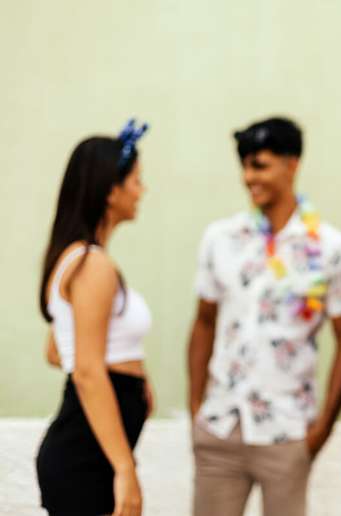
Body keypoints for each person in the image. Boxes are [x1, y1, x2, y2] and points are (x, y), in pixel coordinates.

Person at [187, 117, 341, 516]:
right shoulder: (220, 239)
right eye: (245, 166)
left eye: (260, 165)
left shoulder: (332, 248)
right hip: (219, 426)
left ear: (292, 164)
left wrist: (321, 430)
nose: (250, 177)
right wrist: (197, 407)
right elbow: (203, 323)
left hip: (287, 430)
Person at [36, 120, 153, 516]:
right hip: (85, 455)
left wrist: (135, 379)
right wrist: (125, 469)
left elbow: (57, 351)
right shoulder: (92, 266)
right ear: (110, 190)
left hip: (90, 446)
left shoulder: (75, 259)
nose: (142, 190)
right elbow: (85, 370)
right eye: (136, 180)